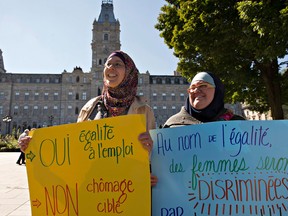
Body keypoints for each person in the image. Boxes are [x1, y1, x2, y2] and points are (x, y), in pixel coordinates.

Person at [19, 50, 158, 186]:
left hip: (130, 188)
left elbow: (157, 156)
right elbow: (74, 148)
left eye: (118, 64)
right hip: (94, 188)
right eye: (108, 64)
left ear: (129, 72)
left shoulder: (144, 111)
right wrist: (34, 147)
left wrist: (152, 165)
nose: (111, 67)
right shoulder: (90, 107)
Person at [162, 72, 245, 128]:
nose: (196, 90)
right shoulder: (171, 125)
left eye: (203, 85)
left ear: (217, 90)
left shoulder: (238, 124)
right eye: (193, 87)